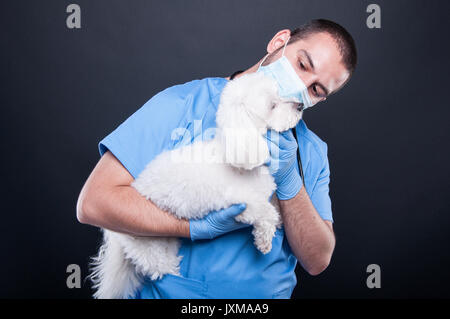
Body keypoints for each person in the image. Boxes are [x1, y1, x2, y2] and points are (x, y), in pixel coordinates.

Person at [76, 19, 357, 299]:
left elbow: (317, 260)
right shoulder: (180, 104)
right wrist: (194, 228)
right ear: (279, 42)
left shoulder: (311, 151)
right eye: (302, 64)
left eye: (316, 90)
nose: (301, 86)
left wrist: (289, 181)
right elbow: (94, 203)